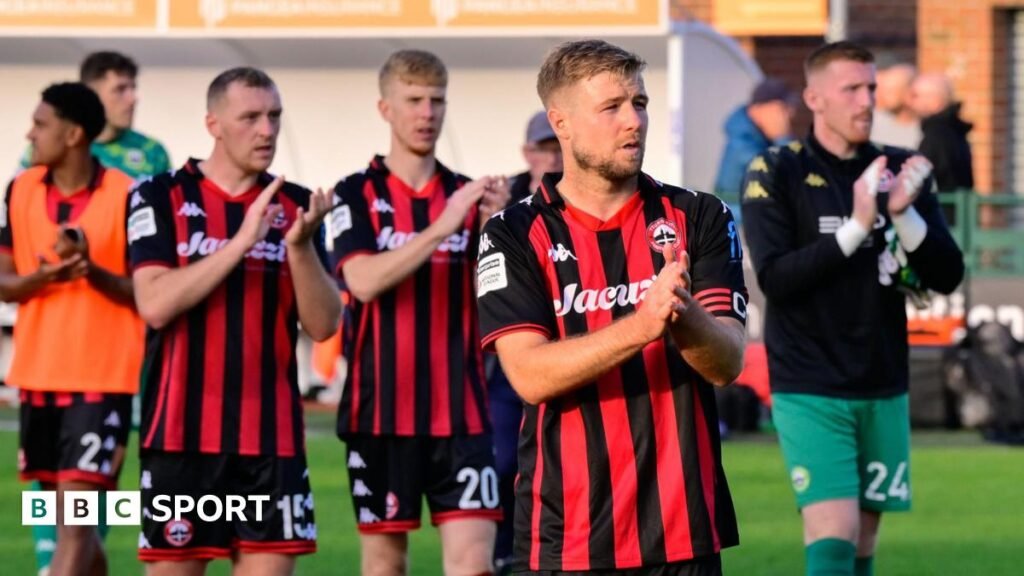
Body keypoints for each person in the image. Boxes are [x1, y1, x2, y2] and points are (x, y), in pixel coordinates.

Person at [477, 39, 747, 575]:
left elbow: (728, 363)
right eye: (612, 107)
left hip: (684, 534)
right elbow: (529, 375)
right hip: (566, 536)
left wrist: (684, 313)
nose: (634, 121)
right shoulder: (513, 233)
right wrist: (642, 325)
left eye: (640, 103)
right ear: (562, 123)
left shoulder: (702, 216)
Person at [741, 41, 965, 576]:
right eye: (852, 89)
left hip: (883, 378)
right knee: (834, 529)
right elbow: (775, 278)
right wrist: (858, 228)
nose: (867, 100)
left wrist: (904, 217)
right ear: (815, 98)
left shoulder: (900, 169)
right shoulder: (776, 170)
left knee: (864, 537)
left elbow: (947, 274)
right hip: (808, 382)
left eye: (870, 87)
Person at [128, 67, 340, 575]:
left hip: (271, 441)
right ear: (214, 123)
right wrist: (241, 242)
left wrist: (301, 247)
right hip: (180, 437)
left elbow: (324, 324)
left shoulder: (296, 206)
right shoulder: (158, 196)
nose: (267, 130)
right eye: (251, 117)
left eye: (274, 117)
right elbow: (154, 303)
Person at [329, 50, 508, 576]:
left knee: (475, 563)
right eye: (414, 101)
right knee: (386, 564)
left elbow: (498, 299)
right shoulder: (353, 194)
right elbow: (361, 282)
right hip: (379, 413)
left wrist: (496, 231)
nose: (427, 113)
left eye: (436, 101)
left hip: (462, 412)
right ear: (385, 108)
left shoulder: (469, 197)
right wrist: (441, 229)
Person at [0, 82, 142, 576]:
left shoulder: (129, 194)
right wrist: (38, 278)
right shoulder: (18, 190)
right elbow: (3, 282)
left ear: (74, 134)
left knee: (78, 528)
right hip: (37, 381)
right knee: (71, 532)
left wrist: (92, 271)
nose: (30, 133)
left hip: (102, 383)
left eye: (41, 125)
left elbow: (150, 292)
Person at [484, 110, 564, 574]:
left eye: (557, 145)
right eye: (544, 147)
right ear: (527, 153)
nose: (552, 155)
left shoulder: (583, 198)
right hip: (509, 361)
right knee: (503, 463)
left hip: (569, 350)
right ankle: (504, 553)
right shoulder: (503, 201)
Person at [20, 51, 171, 180]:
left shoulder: (152, 151)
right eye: (120, 89)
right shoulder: (55, 148)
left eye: (133, 88)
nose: (133, 99)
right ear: (91, 94)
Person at [713, 77, 796, 198]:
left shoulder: (759, 137)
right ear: (759, 108)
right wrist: (782, 136)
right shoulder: (743, 145)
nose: (790, 114)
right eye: (783, 108)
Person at [911, 73, 974, 192]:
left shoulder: (937, 134)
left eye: (916, 95)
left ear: (935, 99)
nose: (912, 101)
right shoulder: (954, 129)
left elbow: (921, 176)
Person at [508, 111, 563, 201]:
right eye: (543, 150)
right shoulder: (506, 194)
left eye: (560, 150)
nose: (552, 160)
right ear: (526, 152)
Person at [870, 61, 921, 149]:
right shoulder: (872, 123)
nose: (883, 95)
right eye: (883, 90)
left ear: (909, 93)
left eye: (890, 91)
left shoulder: (927, 131)